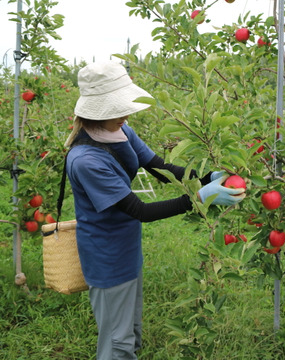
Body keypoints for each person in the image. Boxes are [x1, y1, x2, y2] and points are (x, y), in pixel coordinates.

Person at [64, 61, 245, 359]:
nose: (128, 113)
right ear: (100, 110)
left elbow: (161, 168)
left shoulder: (121, 131)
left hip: (126, 248)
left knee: (130, 333)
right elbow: (141, 210)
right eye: (120, 107)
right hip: (106, 257)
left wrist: (205, 176)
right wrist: (200, 197)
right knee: (116, 342)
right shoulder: (86, 160)